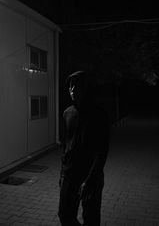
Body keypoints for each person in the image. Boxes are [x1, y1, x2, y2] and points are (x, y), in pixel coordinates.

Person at [58, 70, 110, 226]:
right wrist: (62, 173)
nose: (72, 90)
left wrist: (90, 181)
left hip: (90, 176)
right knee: (64, 214)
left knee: (91, 218)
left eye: (76, 86)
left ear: (86, 88)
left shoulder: (98, 114)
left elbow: (102, 151)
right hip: (70, 175)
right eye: (70, 87)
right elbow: (66, 145)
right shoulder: (67, 113)